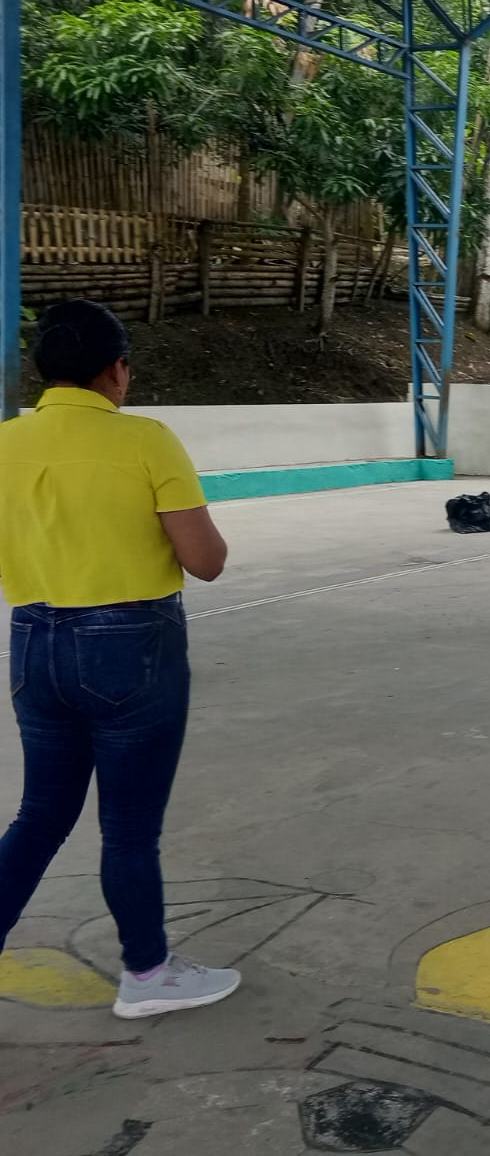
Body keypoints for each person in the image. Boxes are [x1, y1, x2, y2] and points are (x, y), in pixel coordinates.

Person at [0, 299, 239, 1019]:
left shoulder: (6, 443)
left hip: (32, 640)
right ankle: (147, 973)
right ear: (117, 370)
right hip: (130, 646)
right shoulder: (146, 441)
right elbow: (206, 561)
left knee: (40, 814)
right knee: (129, 828)